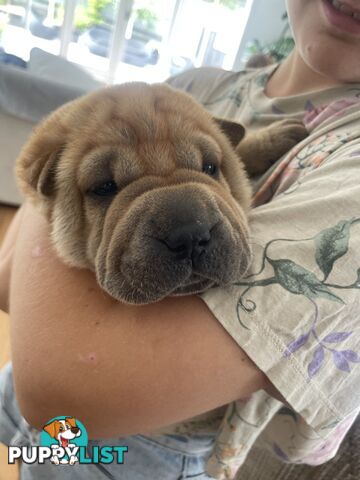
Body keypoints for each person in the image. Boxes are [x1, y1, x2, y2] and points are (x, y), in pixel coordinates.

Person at [0, 0, 360, 478]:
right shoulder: (202, 86)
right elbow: (7, 281)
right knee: (26, 454)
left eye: (209, 167)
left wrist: (48, 218)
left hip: (146, 452)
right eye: (108, 186)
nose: (186, 231)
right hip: (22, 392)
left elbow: (65, 393)